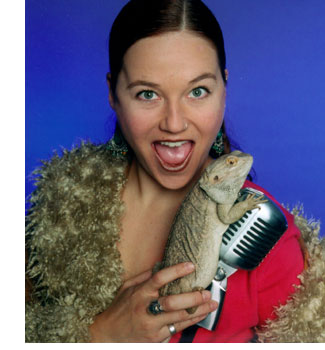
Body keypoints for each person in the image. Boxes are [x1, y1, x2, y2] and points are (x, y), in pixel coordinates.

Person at [26, 0, 324, 343]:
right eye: (147, 94)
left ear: (224, 89)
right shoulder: (61, 207)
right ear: (112, 93)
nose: (174, 123)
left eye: (197, 91)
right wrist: (101, 334)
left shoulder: (268, 239)